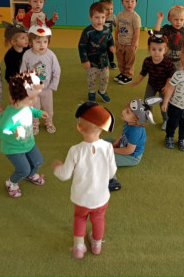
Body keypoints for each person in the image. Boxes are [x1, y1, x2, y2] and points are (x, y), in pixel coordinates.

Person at [53, 101, 116, 259]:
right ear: (102, 128)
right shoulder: (108, 147)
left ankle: (79, 246)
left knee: (80, 218)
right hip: (101, 197)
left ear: (79, 127)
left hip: (81, 198)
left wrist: (57, 168)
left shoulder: (75, 150)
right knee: (98, 219)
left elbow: (65, 175)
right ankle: (96, 244)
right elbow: (112, 172)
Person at [0, 71, 48, 199]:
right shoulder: (10, 115)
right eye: (31, 98)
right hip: (13, 148)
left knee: (38, 162)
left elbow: (30, 110)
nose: (35, 100)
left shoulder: (25, 105)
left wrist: (39, 113)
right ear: (17, 97)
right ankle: (11, 182)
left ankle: (29, 175)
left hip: (28, 143)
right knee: (23, 169)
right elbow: (0, 132)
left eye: (35, 97)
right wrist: (14, 133)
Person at [108, 96, 162, 191]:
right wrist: (114, 145)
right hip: (123, 146)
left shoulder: (135, 132)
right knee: (106, 140)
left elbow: (129, 150)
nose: (123, 111)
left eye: (127, 112)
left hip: (132, 157)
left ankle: (112, 181)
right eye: (126, 109)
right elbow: (123, 135)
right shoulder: (128, 122)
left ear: (135, 120)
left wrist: (112, 150)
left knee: (107, 160)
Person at [20, 23, 61, 134]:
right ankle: (35, 123)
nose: (42, 45)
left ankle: (49, 121)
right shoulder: (27, 55)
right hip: (33, 89)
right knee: (34, 106)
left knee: (48, 107)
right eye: (38, 42)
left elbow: (57, 70)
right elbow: (23, 70)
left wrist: (53, 85)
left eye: (45, 41)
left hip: (47, 88)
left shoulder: (51, 55)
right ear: (31, 42)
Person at [130, 31, 175, 130]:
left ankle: (166, 119)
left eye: (160, 49)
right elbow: (143, 73)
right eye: (153, 49)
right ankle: (147, 115)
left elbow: (170, 76)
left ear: (165, 50)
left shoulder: (168, 63)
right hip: (152, 84)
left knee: (163, 103)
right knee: (147, 101)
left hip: (164, 86)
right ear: (149, 49)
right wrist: (137, 81)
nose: (156, 52)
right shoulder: (147, 61)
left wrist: (167, 86)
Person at [78, 1, 114, 103]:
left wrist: (111, 46)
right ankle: (92, 92)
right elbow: (81, 46)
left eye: (102, 17)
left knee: (105, 78)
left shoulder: (107, 30)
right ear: (91, 17)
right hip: (91, 62)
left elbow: (110, 40)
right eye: (97, 17)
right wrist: (85, 60)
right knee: (91, 79)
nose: (100, 20)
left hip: (104, 61)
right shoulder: (87, 31)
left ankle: (102, 91)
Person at [154, 5, 184, 71]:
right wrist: (159, 20)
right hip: (166, 59)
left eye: (181, 20)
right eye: (176, 19)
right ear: (170, 19)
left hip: (180, 60)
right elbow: (156, 32)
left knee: (178, 75)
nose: (178, 22)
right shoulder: (166, 28)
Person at [114, 0, 141, 85]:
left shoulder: (135, 17)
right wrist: (116, 39)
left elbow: (137, 32)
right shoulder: (120, 14)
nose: (130, 4)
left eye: (132, 1)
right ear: (122, 3)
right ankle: (122, 73)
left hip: (130, 44)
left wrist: (134, 44)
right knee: (120, 60)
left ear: (135, 3)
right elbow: (117, 28)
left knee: (129, 61)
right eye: (127, 1)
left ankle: (128, 75)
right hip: (120, 42)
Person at [100, 0, 117, 69]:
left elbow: (116, 25)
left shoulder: (113, 16)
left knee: (111, 50)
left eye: (111, 9)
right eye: (107, 9)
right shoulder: (100, 17)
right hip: (101, 38)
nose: (110, 11)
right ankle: (101, 61)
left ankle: (111, 61)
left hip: (110, 38)